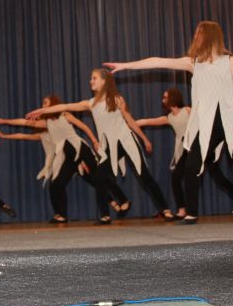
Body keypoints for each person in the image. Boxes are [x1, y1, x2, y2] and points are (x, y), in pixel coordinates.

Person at [104, 20, 233, 224]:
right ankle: (191, 213)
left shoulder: (229, 61)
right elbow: (158, 61)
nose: (196, 37)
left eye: (200, 33)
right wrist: (125, 66)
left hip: (231, 123)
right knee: (191, 165)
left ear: (210, 36)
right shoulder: (194, 63)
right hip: (207, 125)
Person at [26, 69, 172, 225]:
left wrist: (144, 139)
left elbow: (129, 120)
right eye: (91, 78)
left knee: (144, 176)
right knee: (100, 178)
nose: (91, 81)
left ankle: (165, 209)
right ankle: (105, 216)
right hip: (110, 146)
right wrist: (43, 110)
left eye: (94, 78)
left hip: (126, 140)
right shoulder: (90, 104)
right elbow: (66, 106)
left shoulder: (117, 100)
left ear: (104, 81)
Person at [0, 95, 130, 223]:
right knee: (57, 183)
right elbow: (25, 122)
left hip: (81, 149)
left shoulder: (65, 115)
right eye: (43, 104)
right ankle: (61, 215)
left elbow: (83, 126)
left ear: (53, 104)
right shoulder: (46, 123)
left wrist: (94, 141)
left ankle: (122, 202)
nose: (43, 105)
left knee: (100, 178)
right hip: (68, 155)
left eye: (45, 103)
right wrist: (4, 121)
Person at [136, 88, 233, 219]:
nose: (163, 100)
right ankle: (182, 210)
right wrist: (129, 124)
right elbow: (146, 121)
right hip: (188, 151)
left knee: (219, 178)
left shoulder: (187, 110)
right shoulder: (169, 118)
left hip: (202, 147)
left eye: (165, 97)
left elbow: (205, 120)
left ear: (173, 98)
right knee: (176, 177)